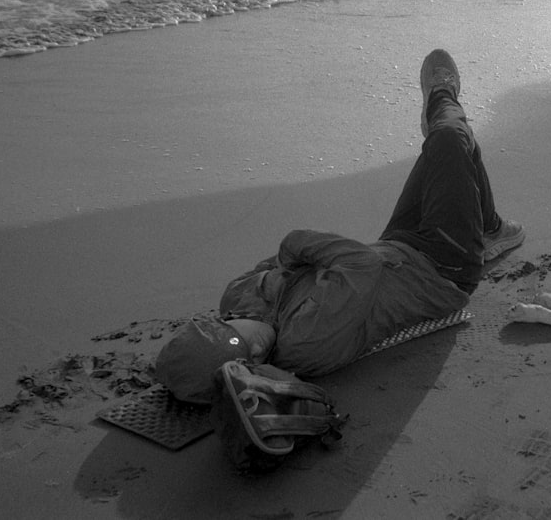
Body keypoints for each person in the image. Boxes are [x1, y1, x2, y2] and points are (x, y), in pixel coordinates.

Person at [156, 49, 524, 403]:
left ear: (223, 323)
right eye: (245, 365)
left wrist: (299, 270)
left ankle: (488, 225)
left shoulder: (237, 295)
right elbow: (358, 262)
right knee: (447, 141)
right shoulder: (306, 341)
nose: (256, 352)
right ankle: (443, 96)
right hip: (442, 272)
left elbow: (327, 265)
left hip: (399, 245)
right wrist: (291, 245)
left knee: (443, 156)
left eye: (238, 344)